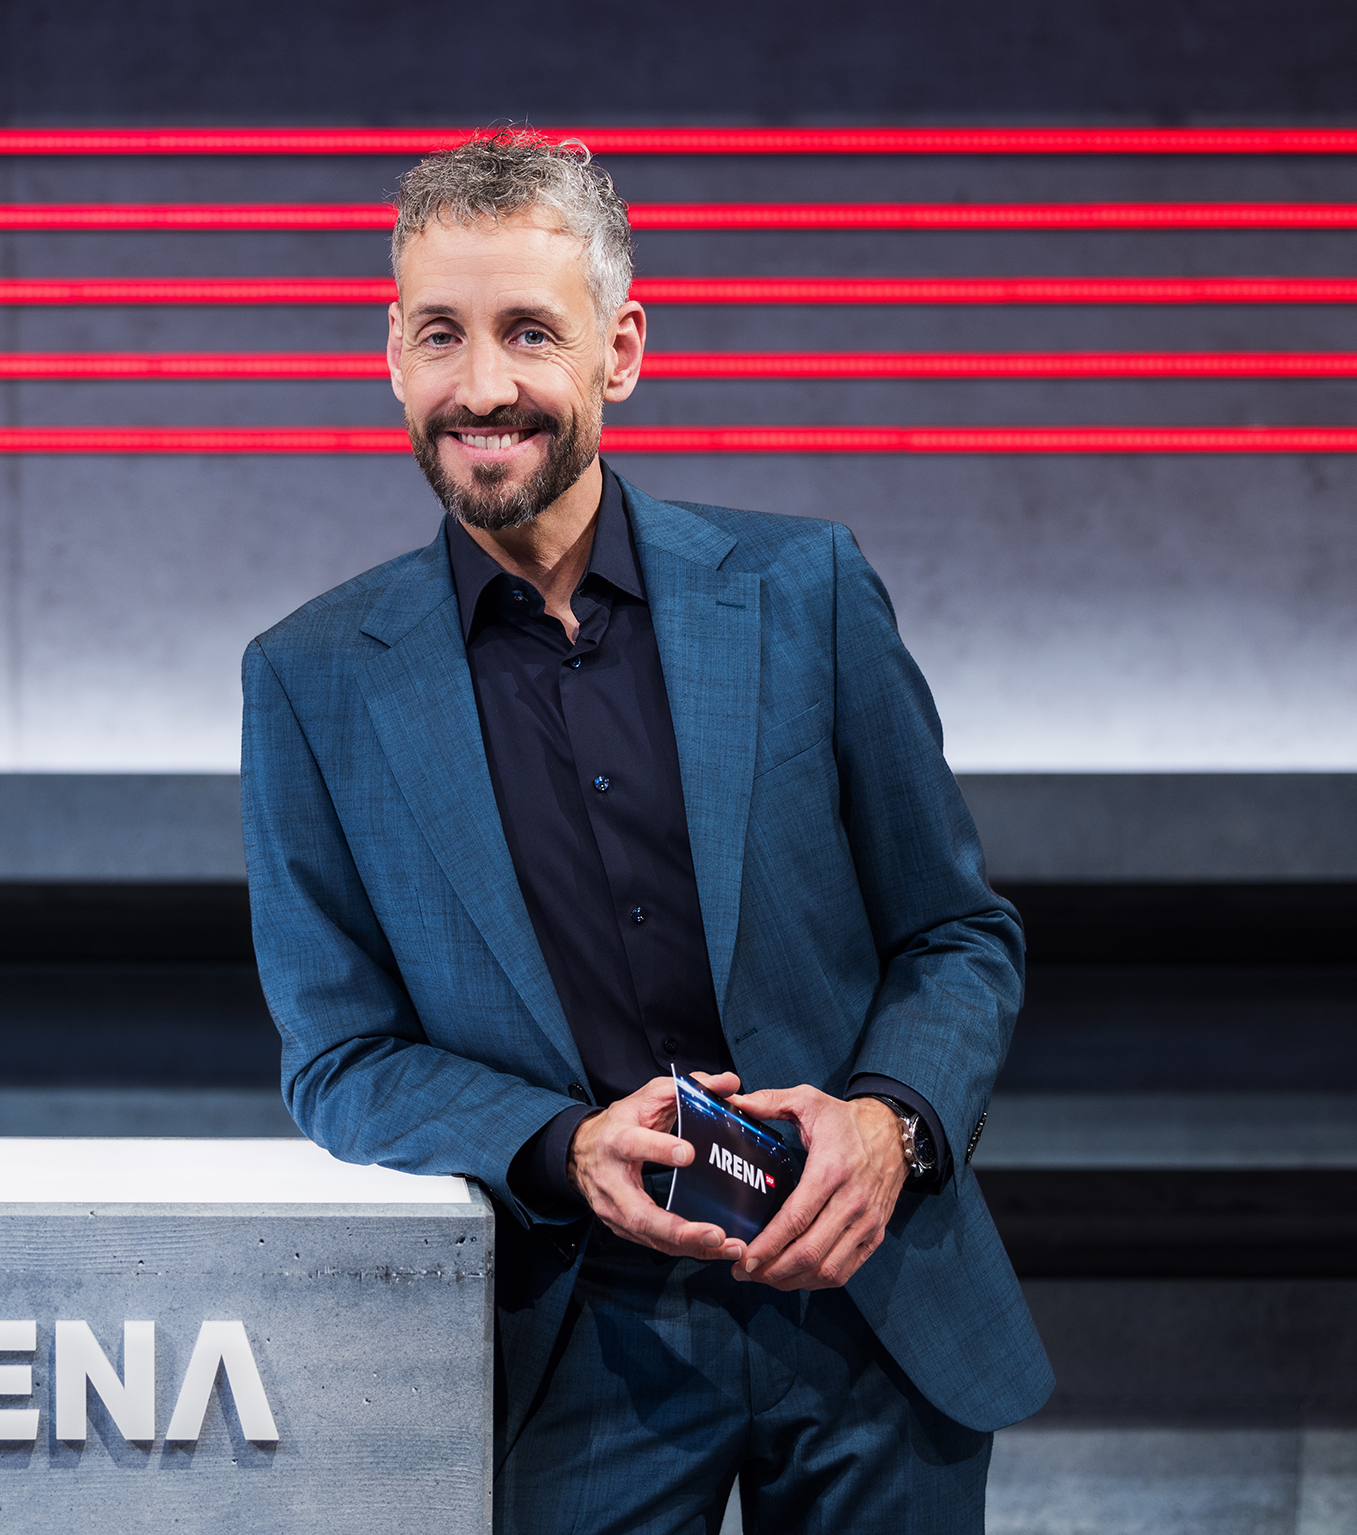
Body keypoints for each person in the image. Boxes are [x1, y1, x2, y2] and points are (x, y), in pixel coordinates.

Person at [239, 131, 1052, 1532]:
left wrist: (891, 1126)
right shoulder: (313, 682)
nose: (481, 386)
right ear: (393, 358)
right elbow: (340, 1062)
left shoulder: (805, 590)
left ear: (618, 353)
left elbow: (956, 935)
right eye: (440, 334)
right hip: (579, 1346)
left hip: (868, 1305)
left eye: (529, 332)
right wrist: (562, 1148)